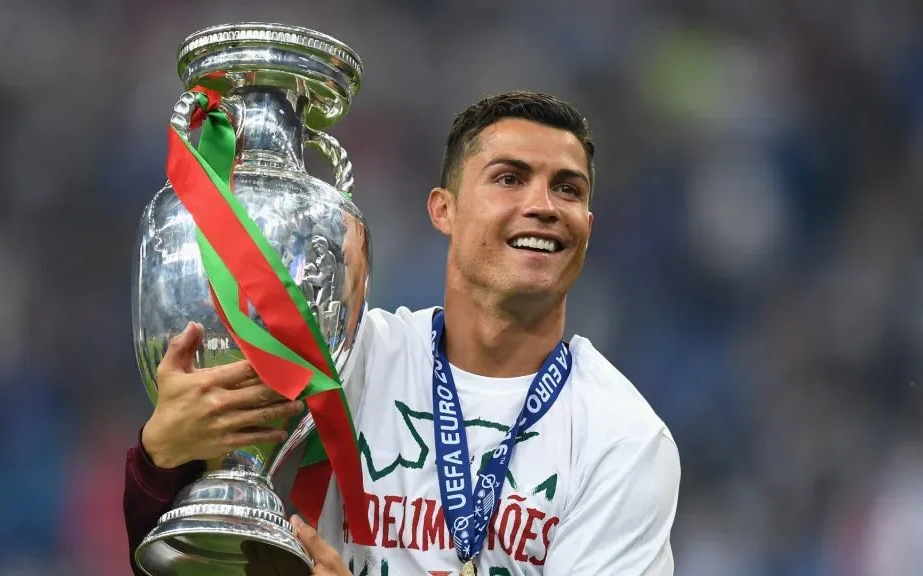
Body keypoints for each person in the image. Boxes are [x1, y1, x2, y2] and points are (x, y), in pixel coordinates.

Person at [124, 91, 681, 575]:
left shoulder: (622, 441)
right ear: (444, 210)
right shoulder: (350, 358)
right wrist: (165, 455)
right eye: (510, 179)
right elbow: (192, 547)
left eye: (568, 189)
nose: (542, 206)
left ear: (588, 223)